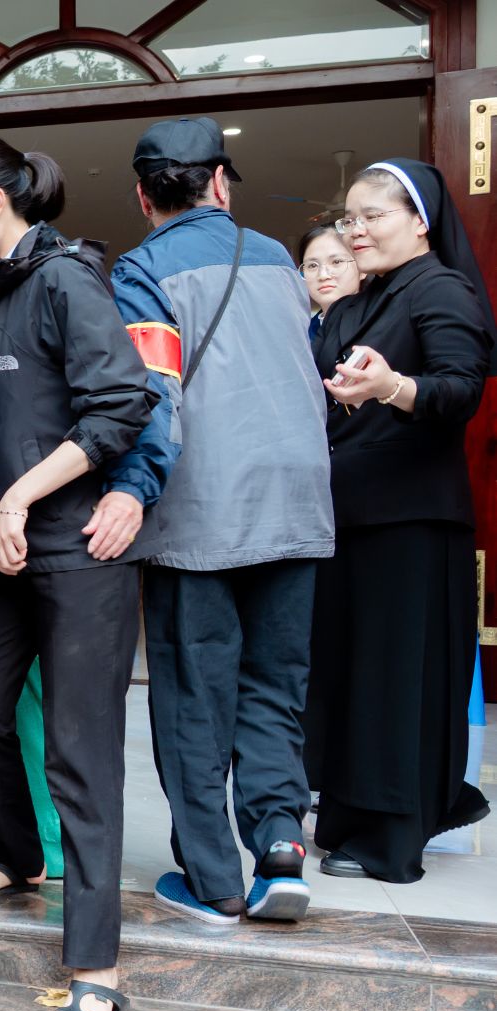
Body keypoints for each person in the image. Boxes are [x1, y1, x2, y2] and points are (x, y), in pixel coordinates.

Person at [0, 133, 154, 1011]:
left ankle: (96, 966)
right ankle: (19, 857)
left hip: (80, 550)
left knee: (80, 752)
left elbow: (121, 404)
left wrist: (21, 494)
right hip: (3, 553)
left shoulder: (66, 280)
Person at [110, 117, 335, 926]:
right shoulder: (278, 260)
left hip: (200, 509)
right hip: (296, 499)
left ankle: (212, 880)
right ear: (220, 183)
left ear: (144, 198)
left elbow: (153, 394)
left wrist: (131, 490)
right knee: (276, 684)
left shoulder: (140, 270)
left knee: (193, 695)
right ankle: (280, 847)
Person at [310, 158, 494, 882]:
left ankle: (391, 837)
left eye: (372, 216)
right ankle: (349, 819)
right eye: (349, 218)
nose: (356, 230)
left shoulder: (438, 287)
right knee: (351, 676)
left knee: (393, 679)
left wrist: (392, 386)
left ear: (420, 221)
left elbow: (461, 388)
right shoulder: (364, 299)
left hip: (410, 521)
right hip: (351, 516)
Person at [298, 222, 361, 343]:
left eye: (336, 262)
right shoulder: (301, 336)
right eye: (312, 265)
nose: (323, 275)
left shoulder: (383, 323)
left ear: (362, 268)